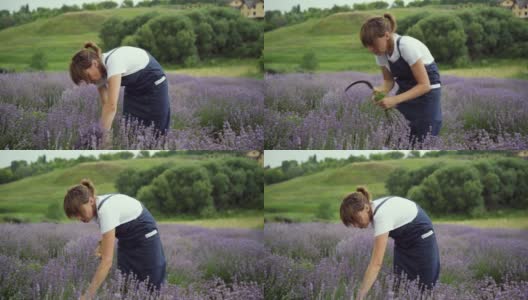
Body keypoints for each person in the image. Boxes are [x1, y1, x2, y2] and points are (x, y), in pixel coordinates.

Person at [64, 179, 166, 299]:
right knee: (125, 284)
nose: (79, 217)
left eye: (80, 212)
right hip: (127, 240)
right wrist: (101, 245)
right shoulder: (97, 208)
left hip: (146, 238)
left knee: (152, 287)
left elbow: (107, 262)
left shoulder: (105, 210)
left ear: (91, 201)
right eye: (75, 215)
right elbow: (111, 231)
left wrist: (88, 295)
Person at [340, 186, 440, 299]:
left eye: (355, 219)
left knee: (424, 289)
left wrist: (360, 295)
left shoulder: (381, 216)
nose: (356, 225)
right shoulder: (374, 209)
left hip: (422, 241)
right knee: (401, 285)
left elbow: (376, 264)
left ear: (366, 208)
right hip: (403, 243)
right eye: (351, 223)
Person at [360, 13, 442, 143]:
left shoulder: (406, 46)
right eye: (367, 45)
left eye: (373, 44)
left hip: (427, 96)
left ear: (386, 35)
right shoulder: (380, 52)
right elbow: (388, 81)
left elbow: (424, 85)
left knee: (424, 139)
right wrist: (381, 92)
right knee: (399, 137)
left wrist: (395, 100)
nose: (371, 49)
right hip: (406, 94)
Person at [69, 42, 171, 145]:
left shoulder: (114, 62)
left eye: (88, 76)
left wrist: (104, 139)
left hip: (154, 85)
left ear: (95, 64)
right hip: (134, 89)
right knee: (130, 130)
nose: (89, 82)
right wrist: (104, 135)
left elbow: (112, 106)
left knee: (157, 134)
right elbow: (106, 104)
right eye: (85, 80)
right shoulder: (99, 74)